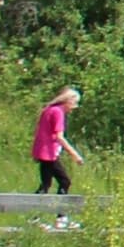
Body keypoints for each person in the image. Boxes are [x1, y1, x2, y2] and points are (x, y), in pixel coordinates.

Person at [32, 85, 85, 220]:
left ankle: (35, 217)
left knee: (46, 184)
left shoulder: (49, 110)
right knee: (64, 181)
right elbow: (59, 137)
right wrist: (75, 155)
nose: (74, 107)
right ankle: (60, 217)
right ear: (68, 101)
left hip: (42, 151)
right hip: (48, 153)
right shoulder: (58, 112)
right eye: (74, 103)